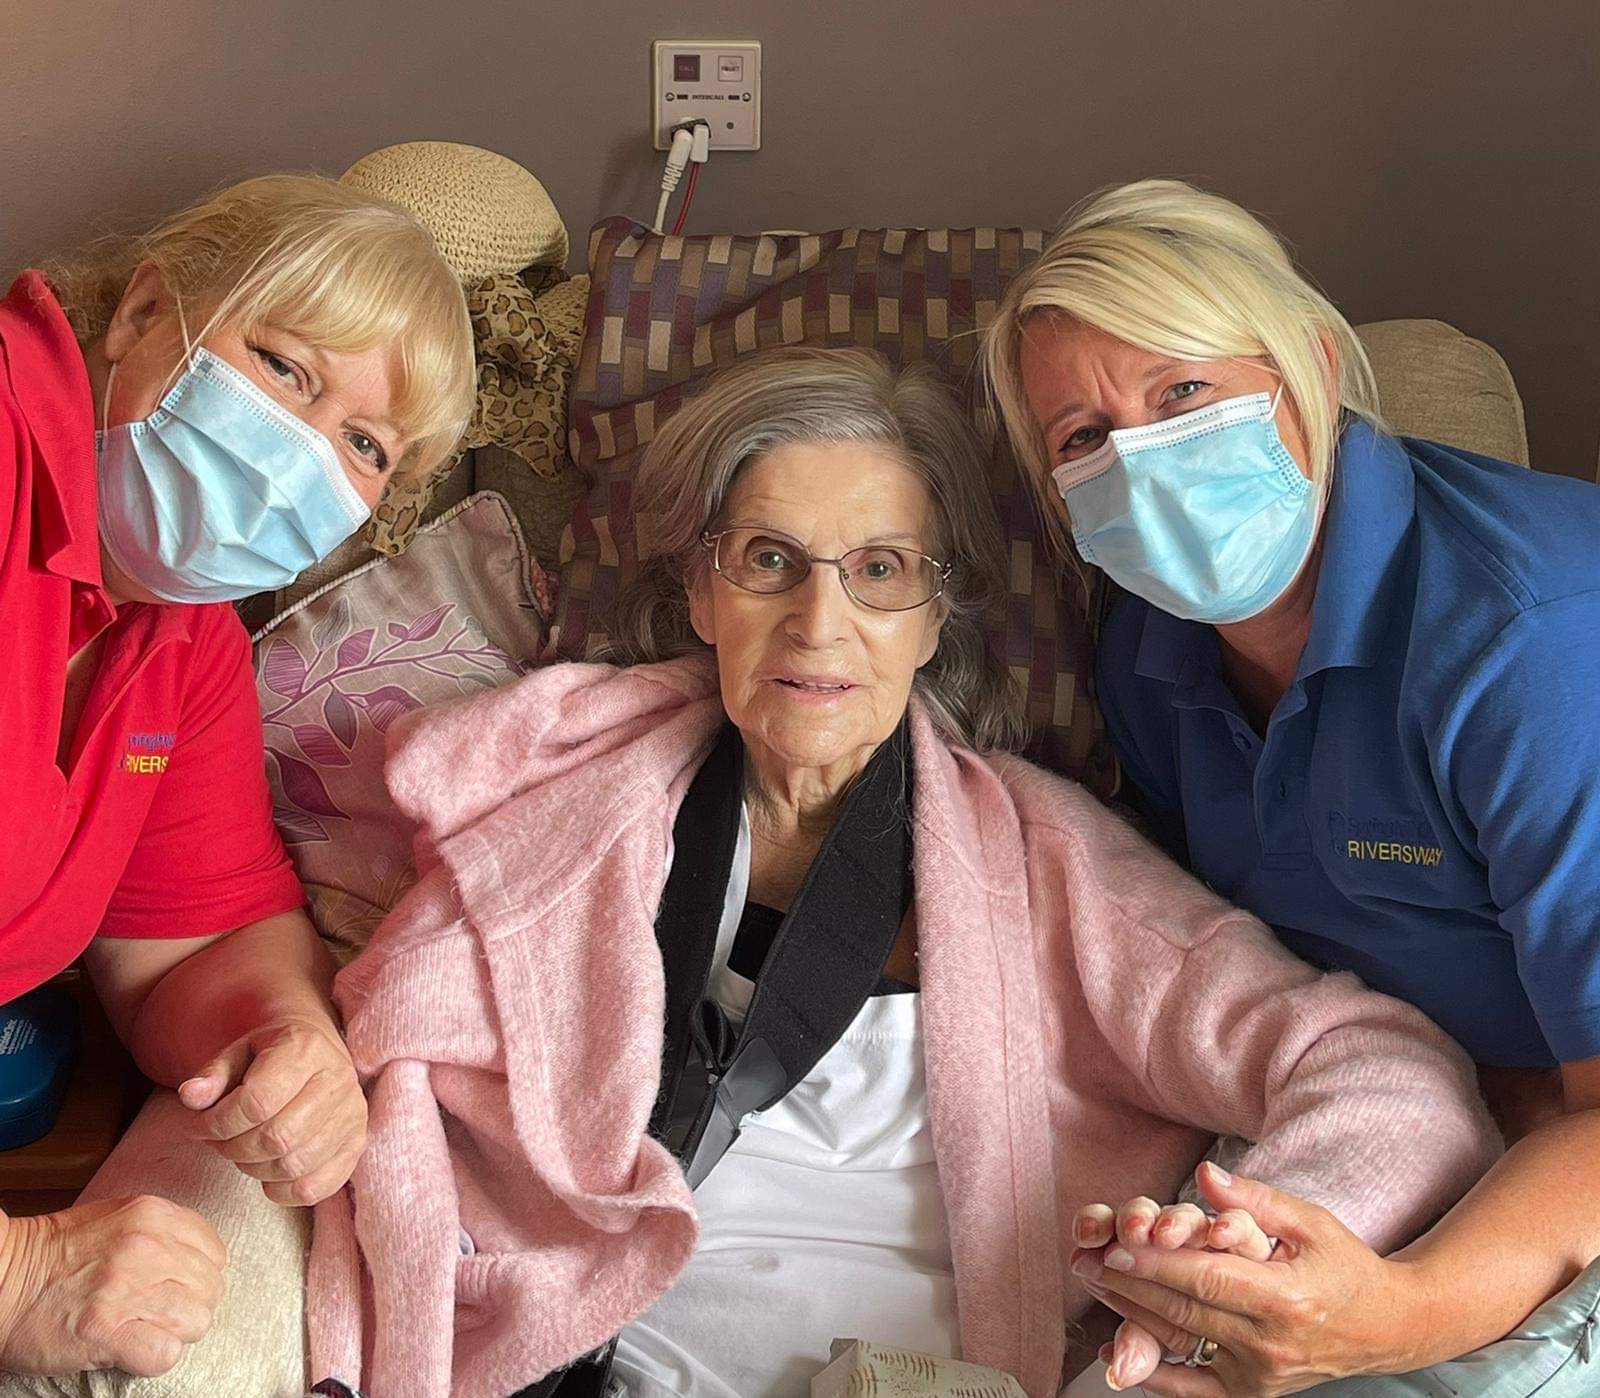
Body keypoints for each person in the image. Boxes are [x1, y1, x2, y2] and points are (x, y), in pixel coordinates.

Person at [303, 347, 1497, 1398]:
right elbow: (371, 1058)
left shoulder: (1046, 864)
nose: (819, 623)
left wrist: (1221, 1273)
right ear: (702, 593)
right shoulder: (556, 814)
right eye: (769, 559)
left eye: (878, 570)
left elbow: (1387, 1078)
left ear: (934, 617)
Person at [982, 178, 1600, 1394]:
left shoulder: (1524, 645)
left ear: (1309, 368)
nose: (1142, 465)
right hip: (1393, 1107)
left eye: (1182, 393)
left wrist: (1392, 1317)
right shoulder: (1147, 656)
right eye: (1083, 437)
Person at [0, 173, 473, 1381]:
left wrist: (290, 1041)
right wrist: (15, 1273)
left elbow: (194, 944)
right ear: (143, 312)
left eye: (364, 446)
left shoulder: (186, 644)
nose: (298, 456)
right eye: (285, 367)